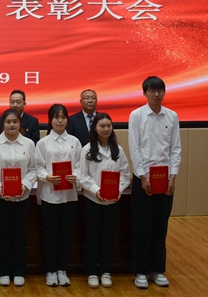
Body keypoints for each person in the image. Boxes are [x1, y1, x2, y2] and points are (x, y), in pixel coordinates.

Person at [128, 76, 181, 289]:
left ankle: (157, 269)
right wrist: (142, 176)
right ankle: (141, 271)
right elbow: (134, 148)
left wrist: (173, 175)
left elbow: (175, 148)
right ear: (145, 93)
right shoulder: (137, 115)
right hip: (143, 179)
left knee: (161, 226)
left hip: (165, 180)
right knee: (142, 226)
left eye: (160, 90)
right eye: (152, 90)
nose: (156, 94)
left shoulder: (172, 116)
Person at [0, 108, 38, 287]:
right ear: (2, 124)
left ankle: (19, 270)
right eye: (8, 122)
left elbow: (34, 169)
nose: (12, 125)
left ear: (20, 124)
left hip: (22, 197)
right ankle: (4, 271)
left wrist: (25, 185)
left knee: (19, 234)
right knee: (3, 234)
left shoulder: (29, 143)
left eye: (15, 122)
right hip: (0, 197)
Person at [78, 112, 131, 289]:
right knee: (92, 237)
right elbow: (83, 176)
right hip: (93, 201)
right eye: (102, 126)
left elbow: (125, 174)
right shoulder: (87, 150)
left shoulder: (118, 149)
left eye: (109, 125)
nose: (106, 129)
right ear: (95, 128)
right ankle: (92, 272)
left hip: (112, 202)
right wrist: (96, 191)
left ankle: (106, 271)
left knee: (109, 237)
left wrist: (118, 190)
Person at [35, 104, 82, 287]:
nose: (60, 121)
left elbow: (80, 165)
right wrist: (47, 177)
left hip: (69, 196)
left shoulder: (74, 142)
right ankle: (50, 270)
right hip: (49, 196)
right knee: (50, 235)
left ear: (67, 120)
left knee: (65, 235)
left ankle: (62, 269)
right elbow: (38, 167)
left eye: (63, 117)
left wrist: (75, 175)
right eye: (56, 117)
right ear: (50, 120)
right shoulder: (43, 143)